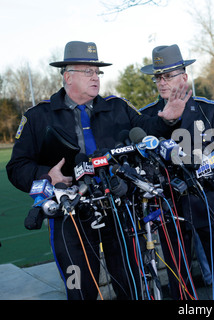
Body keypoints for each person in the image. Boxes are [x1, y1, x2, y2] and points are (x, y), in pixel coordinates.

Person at [6, 41, 189, 300]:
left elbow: (147, 130)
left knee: (131, 284)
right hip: (69, 216)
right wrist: (47, 175)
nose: (96, 77)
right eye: (88, 71)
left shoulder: (117, 107)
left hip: (118, 209)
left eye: (97, 72)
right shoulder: (38, 116)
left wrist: (168, 118)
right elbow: (16, 168)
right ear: (67, 76)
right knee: (79, 288)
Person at [139, 44, 214, 300]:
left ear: (184, 77)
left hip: (209, 198)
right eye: (158, 77)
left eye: (168, 75)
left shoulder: (208, 110)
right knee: (178, 272)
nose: (162, 82)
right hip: (169, 203)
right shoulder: (148, 116)